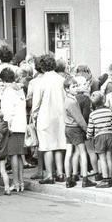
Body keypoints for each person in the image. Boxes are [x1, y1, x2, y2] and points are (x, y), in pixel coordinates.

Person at [31, 55, 66, 184]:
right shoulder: (62, 79)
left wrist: (33, 116)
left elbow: (36, 104)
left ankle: (49, 175)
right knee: (58, 144)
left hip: (45, 116)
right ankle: (61, 173)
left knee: (47, 146)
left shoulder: (40, 81)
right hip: (60, 116)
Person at [63, 77, 96, 188]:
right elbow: (80, 118)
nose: (76, 88)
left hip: (68, 128)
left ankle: (69, 178)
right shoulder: (72, 102)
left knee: (69, 152)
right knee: (82, 152)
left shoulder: (67, 100)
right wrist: (87, 130)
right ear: (67, 89)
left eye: (77, 86)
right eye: (73, 86)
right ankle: (85, 178)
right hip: (75, 128)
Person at [0, 68, 27, 192]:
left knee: (13, 155)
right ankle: (21, 182)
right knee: (19, 154)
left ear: (4, 80)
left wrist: (6, 127)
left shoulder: (7, 92)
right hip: (21, 125)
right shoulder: (19, 90)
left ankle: (16, 182)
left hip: (12, 126)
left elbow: (7, 112)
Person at [87, 91, 112, 188]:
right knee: (109, 159)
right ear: (103, 100)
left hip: (99, 137)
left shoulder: (92, 114)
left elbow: (90, 129)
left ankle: (105, 179)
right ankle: (110, 179)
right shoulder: (109, 111)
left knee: (102, 159)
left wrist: (88, 136)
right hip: (110, 135)